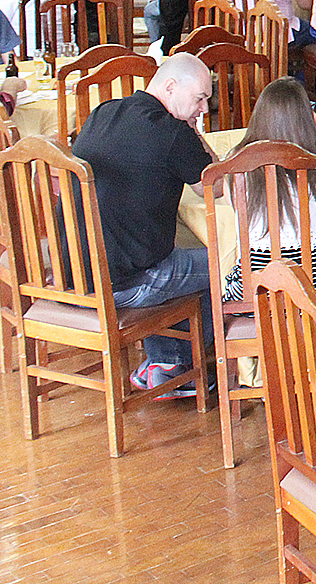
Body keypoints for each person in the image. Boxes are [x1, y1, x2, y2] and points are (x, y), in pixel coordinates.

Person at [72, 54, 216, 396]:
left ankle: (162, 359)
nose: (204, 109)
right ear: (170, 87)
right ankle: (173, 367)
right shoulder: (172, 133)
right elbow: (216, 183)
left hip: (76, 271)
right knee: (224, 263)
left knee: (163, 249)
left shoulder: (102, 113)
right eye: (200, 98)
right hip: (123, 282)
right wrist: (196, 134)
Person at [218, 79, 316, 311]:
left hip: (256, 294)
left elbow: (232, 202)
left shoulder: (237, 163)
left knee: (235, 279)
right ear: (306, 119)